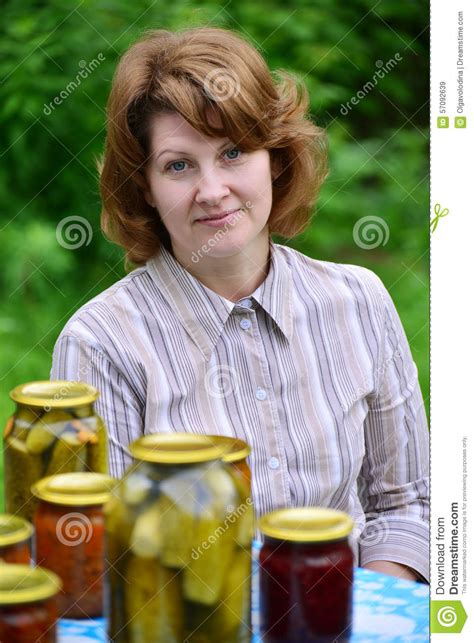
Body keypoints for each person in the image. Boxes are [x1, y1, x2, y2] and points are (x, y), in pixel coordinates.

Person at [50, 26, 429, 583]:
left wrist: (364, 611)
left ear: (274, 158)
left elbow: (407, 504)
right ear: (146, 187)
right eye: (179, 165)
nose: (212, 189)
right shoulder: (100, 343)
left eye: (233, 153)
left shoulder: (360, 302)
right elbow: (106, 562)